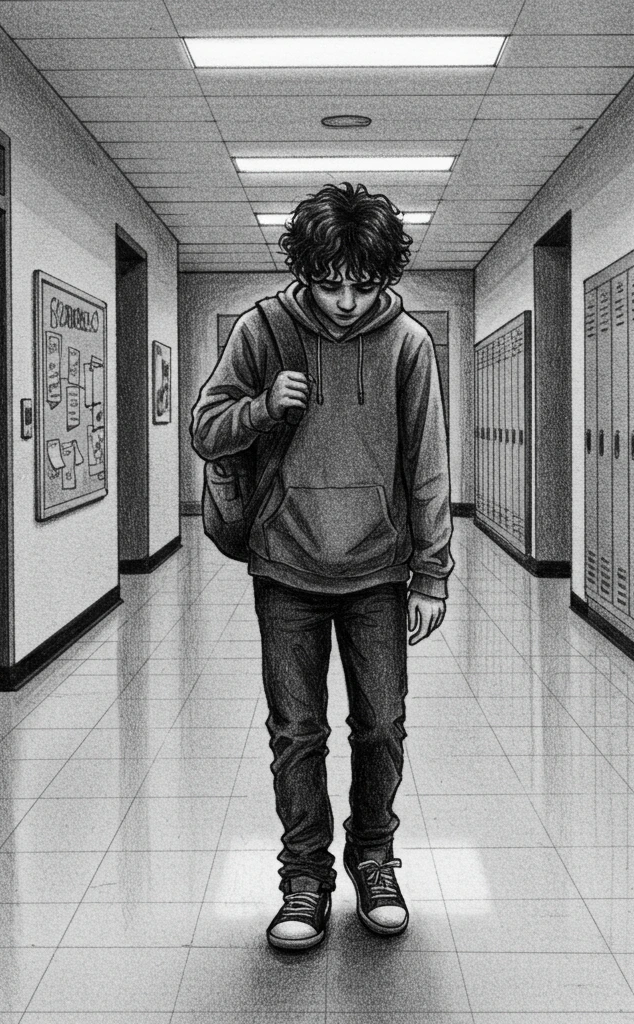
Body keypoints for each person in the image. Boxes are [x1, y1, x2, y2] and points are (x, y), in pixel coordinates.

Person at [190, 182, 453, 951]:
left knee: (381, 726)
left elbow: (428, 466)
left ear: (384, 277)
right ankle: (304, 875)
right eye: (330, 282)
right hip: (285, 566)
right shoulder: (261, 329)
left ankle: (374, 856)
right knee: (296, 733)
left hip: (376, 569)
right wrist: (264, 405)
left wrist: (431, 573)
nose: (344, 302)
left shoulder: (408, 345)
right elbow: (208, 428)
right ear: (306, 269)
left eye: (363, 285)